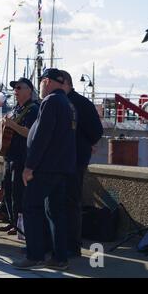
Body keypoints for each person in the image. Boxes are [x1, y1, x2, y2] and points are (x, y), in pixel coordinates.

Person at [13, 68, 76, 271]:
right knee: (56, 212)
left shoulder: (50, 101)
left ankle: (35, 255)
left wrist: (29, 167)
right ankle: (60, 257)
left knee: (31, 207)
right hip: (61, 168)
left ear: (46, 81)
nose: (40, 86)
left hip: (45, 168)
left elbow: (42, 136)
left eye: (40, 82)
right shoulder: (66, 102)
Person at [60, 70, 103, 257]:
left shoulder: (80, 103)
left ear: (66, 84)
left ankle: (72, 245)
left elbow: (96, 131)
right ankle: (61, 242)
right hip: (61, 160)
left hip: (75, 160)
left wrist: (81, 144)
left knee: (71, 202)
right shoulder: (61, 102)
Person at [0, 78, 39, 235]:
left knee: (18, 193)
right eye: (14, 88)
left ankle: (20, 225)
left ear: (29, 90)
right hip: (10, 156)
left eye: (19, 87)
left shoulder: (33, 109)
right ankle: (12, 221)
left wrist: (12, 125)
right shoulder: (16, 108)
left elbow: (30, 132)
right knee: (7, 189)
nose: (15, 91)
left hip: (22, 157)